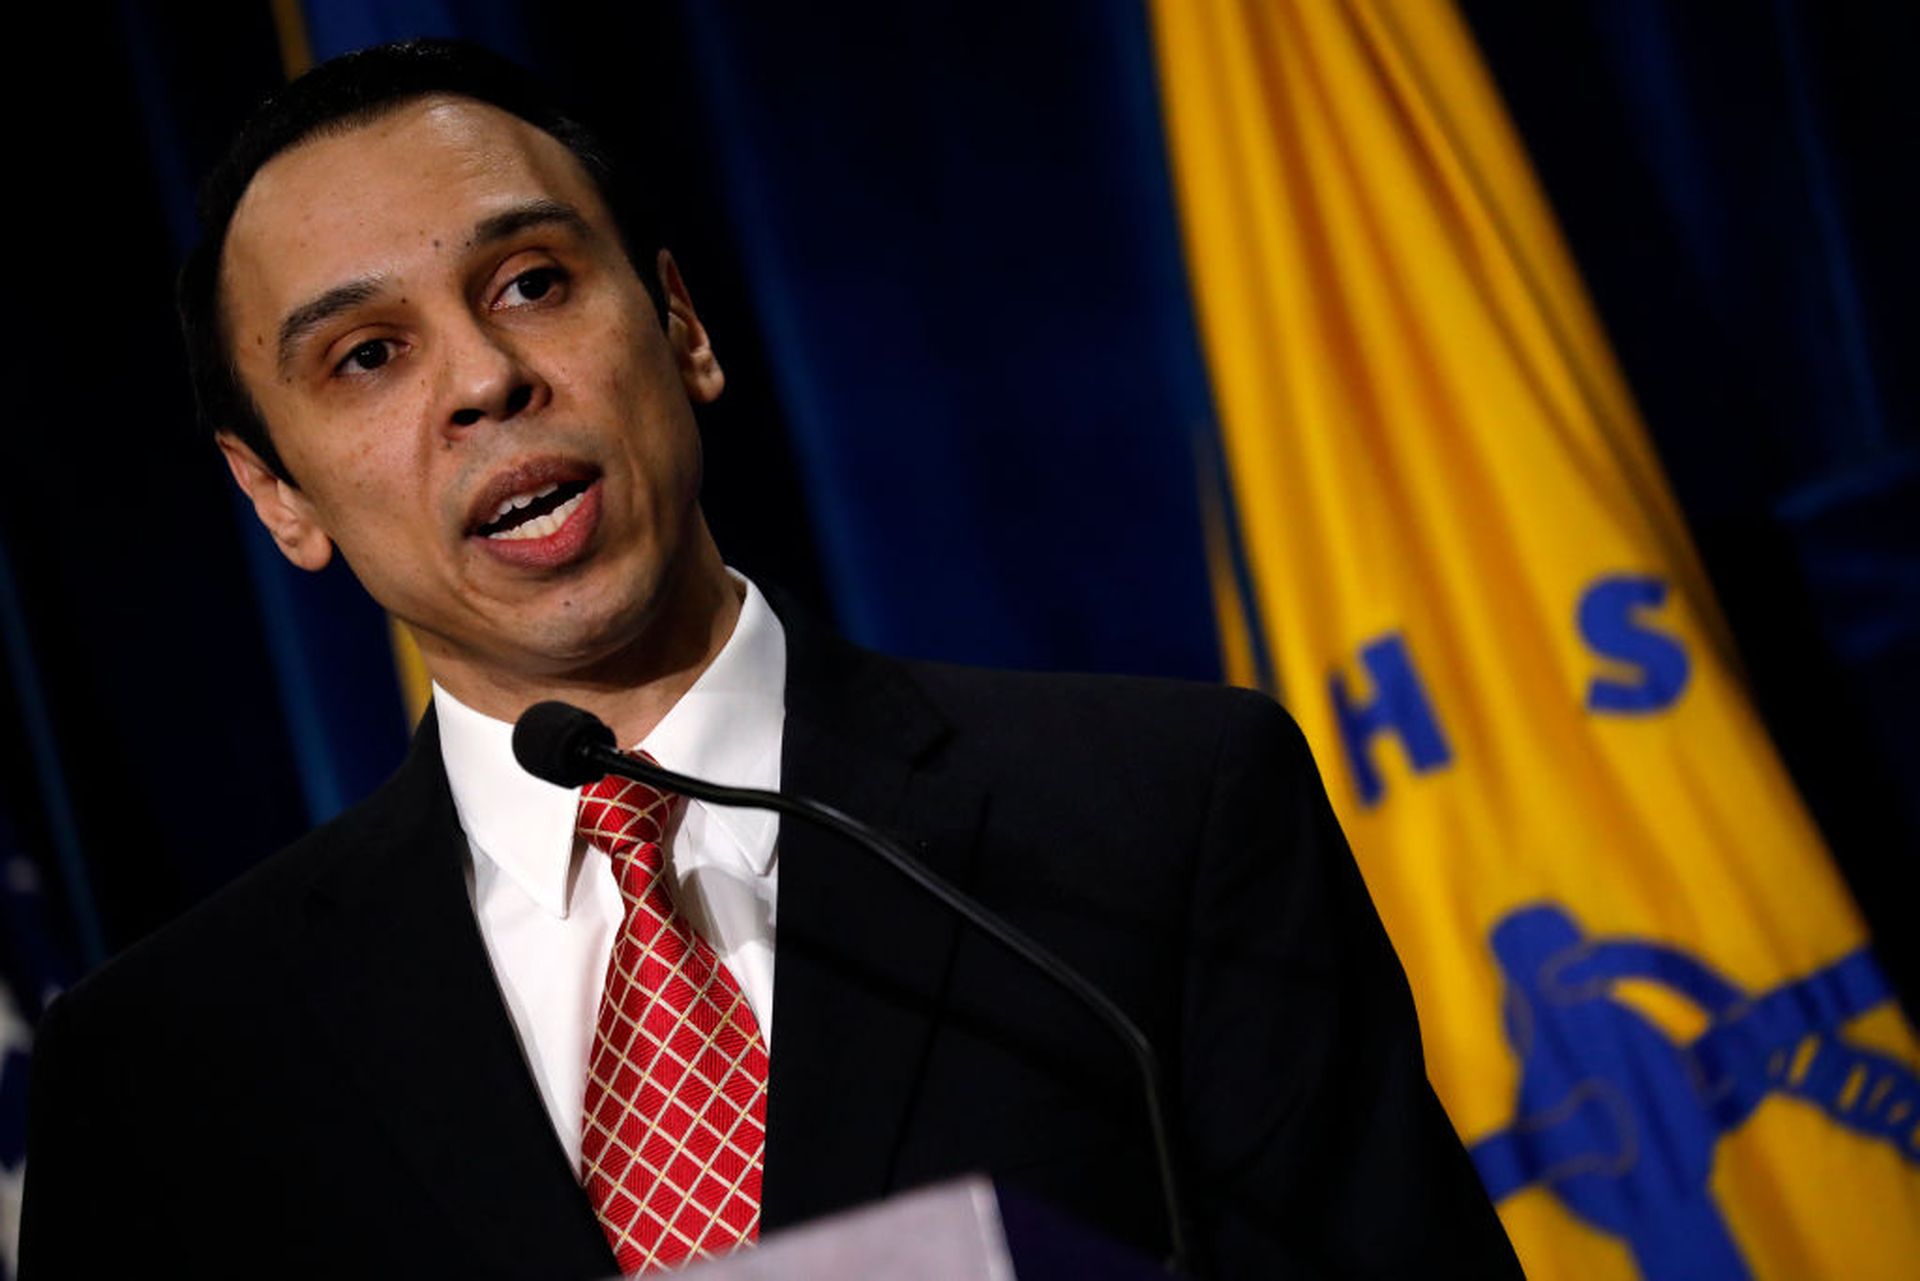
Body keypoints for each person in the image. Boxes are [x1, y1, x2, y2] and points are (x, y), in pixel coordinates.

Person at [20, 39, 1519, 1280]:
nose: (485, 377)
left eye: (532, 280)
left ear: (680, 327)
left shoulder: (1157, 819)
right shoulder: (165, 1071)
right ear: (277, 493)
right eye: (366, 356)